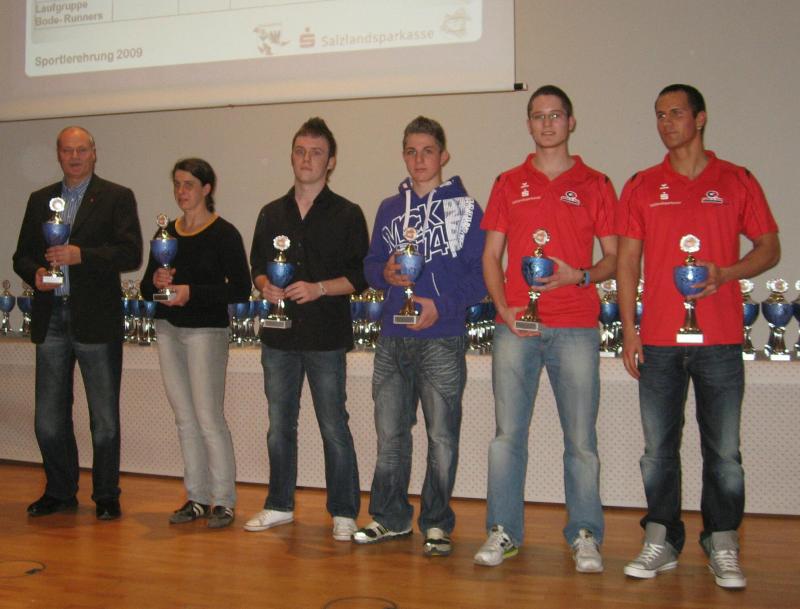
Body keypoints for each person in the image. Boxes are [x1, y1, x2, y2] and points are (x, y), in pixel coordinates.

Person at [616, 84, 780, 589]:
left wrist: (726, 273)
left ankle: (722, 541)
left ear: (700, 118)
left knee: (724, 453)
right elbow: (627, 262)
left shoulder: (736, 179)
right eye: (659, 115)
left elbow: (769, 248)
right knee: (657, 451)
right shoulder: (642, 184)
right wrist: (629, 331)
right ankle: (662, 539)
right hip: (659, 341)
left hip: (721, 339)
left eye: (676, 113)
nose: (667, 123)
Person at [473, 86, 617, 572]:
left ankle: (584, 534)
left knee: (581, 441)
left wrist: (579, 275)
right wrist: (504, 308)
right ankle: (503, 531)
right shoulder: (508, 182)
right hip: (517, 328)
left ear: (571, 122)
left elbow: (614, 257)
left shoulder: (596, 183)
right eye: (538, 116)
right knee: (506, 437)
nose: (547, 123)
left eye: (556, 115)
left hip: (576, 326)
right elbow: (491, 256)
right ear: (529, 124)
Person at [353, 116, 486, 557]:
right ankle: (389, 517)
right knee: (390, 435)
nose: (419, 159)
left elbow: (481, 277)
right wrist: (385, 273)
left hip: (441, 337)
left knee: (441, 438)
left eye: (428, 150)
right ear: (403, 155)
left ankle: (436, 523)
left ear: (444, 155)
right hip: (393, 336)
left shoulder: (466, 209)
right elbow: (371, 264)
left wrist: (440, 306)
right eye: (411, 151)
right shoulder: (389, 208)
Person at [245, 117, 369, 541]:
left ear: (330, 161)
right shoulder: (271, 212)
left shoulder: (348, 213)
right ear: (292, 156)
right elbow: (257, 266)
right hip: (278, 337)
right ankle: (279, 504)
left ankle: (344, 511)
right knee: (279, 426)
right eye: (300, 151)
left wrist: (320, 288)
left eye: (316, 153)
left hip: (325, 337)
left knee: (333, 425)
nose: (307, 159)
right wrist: (265, 284)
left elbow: (361, 276)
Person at [12, 126, 143, 520]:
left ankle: (106, 495)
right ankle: (59, 491)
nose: (74, 157)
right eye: (67, 150)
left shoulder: (117, 197)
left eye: (81, 150)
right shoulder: (40, 200)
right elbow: (21, 256)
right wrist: (35, 272)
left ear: (94, 153)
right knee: (48, 419)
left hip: (95, 317)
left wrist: (80, 254)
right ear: (58, 153)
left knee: (103, 419)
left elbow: (131, 253)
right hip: (51, 315)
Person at [139, 158, 251, 529]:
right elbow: (145, 289)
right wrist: (157, 281)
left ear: (206, 188)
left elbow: (240, 288)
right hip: (168, 329)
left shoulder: (224, 233)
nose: (181, 191)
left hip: (206, 332)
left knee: (207, 417)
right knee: (185, 419)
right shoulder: (165, 234)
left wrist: (192, 292)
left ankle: (224, 501)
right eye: (177, 184)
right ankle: (197, 497)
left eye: (188, 184)